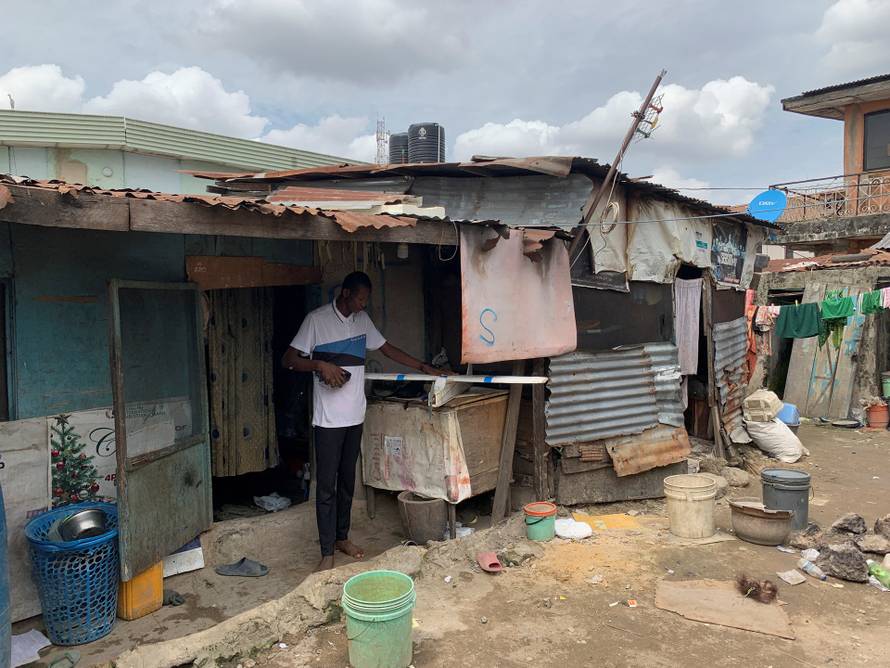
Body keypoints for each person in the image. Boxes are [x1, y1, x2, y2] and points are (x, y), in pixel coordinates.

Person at [282, 271, 448, 571]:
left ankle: (342, 538)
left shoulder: (362, 321)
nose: (363, 305)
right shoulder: (316, 320)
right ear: (345, 293)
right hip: (328, 421)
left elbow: (386, 348)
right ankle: (326, 552)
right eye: (360, 298)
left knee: (347, 482)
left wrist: (424, 366)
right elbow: (289, 359)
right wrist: (320, 364)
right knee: (327, 488)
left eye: (365, 299)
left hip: (355, 414)